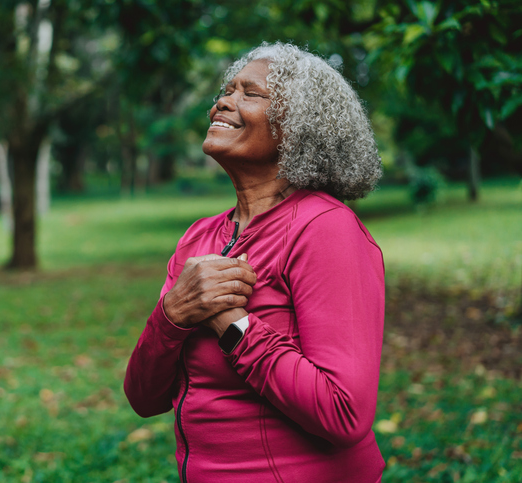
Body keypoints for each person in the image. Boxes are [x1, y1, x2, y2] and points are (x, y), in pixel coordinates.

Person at [124, 42, 385, 483]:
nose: (223, 101)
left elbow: (345, 414)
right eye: (226, 91)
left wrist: (233, 324)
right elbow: (144, 397)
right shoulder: (199, 237)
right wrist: (172, 315)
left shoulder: (326, 228)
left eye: (251, 93)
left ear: (298, 127)